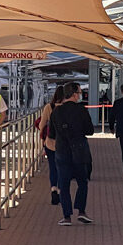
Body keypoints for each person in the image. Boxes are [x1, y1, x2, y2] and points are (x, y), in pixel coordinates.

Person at [48, 82, 94, 225]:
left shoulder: (56, 111)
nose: (80, 95)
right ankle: (81, 211)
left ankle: (66, 216)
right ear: (74, 94)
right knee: (82, 182)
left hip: (62, 151)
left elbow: (52, 134)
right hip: (79, 150)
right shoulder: (81, 110)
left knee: (64, 184)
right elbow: (90, 130)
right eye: (79, 93)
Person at [37, 85, 66, 205]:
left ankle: (53, 188)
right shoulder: (68, 108)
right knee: (63, 168)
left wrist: (42, 137)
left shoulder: (49, 107)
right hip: (64, 143)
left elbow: (41, 125)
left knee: (53, 167)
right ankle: (61, 190)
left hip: (50, 142)